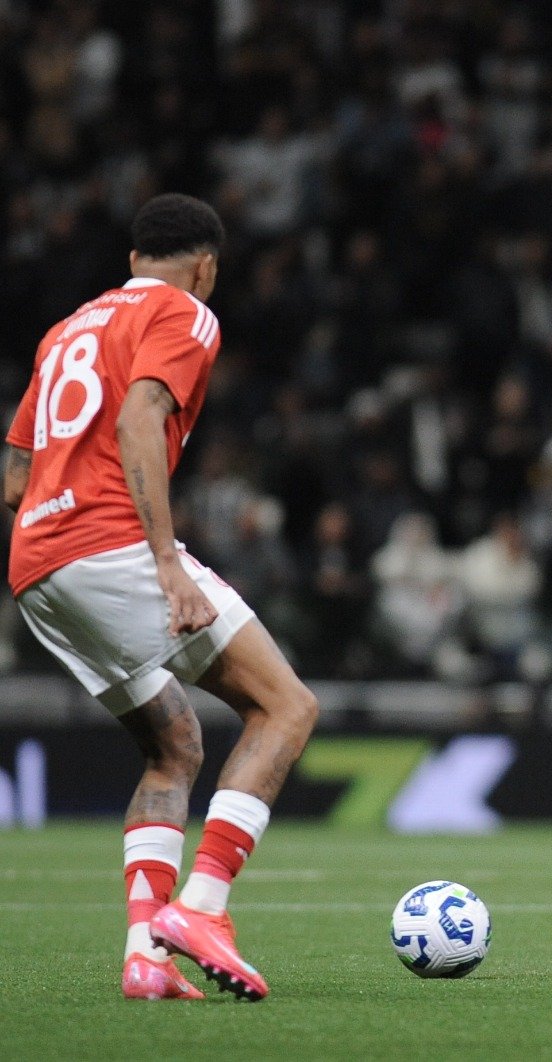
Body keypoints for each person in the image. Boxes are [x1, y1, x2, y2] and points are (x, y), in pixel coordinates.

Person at [2, 194, 319, 1001]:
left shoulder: (66, 330)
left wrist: (62, 527)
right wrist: (164, 564)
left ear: (134, 255)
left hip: (39, 567)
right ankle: (204, 909)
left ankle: (146, 954)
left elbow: (13, 477)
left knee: (172, 749)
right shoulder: (186, 312)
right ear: (206, 264)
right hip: (116, 548)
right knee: (285, 707)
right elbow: (141, 417)